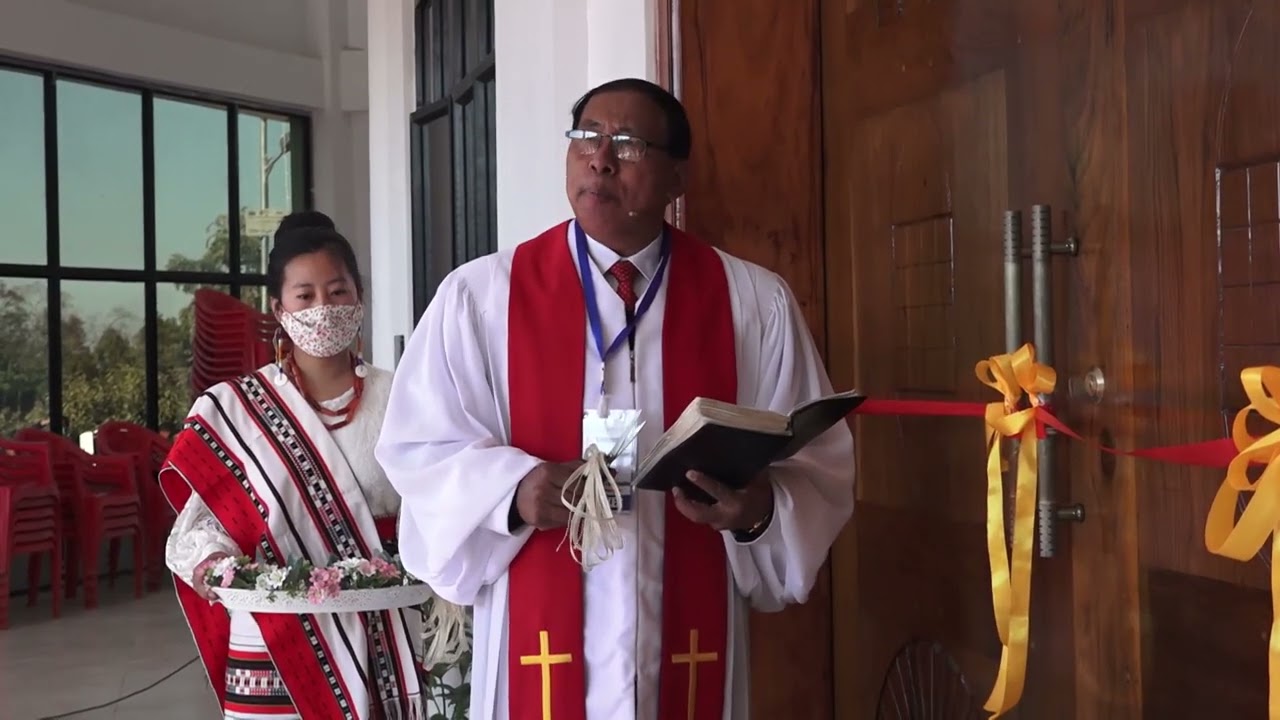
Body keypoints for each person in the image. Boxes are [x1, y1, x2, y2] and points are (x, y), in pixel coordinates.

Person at [376, 78, 855, 720]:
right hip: (535, 637)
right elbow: (419, 450)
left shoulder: (751, 304)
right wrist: (512, 493)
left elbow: (818, 464)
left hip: (686, 635)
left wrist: (759, 510)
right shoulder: (482, 299)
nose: (600, 158)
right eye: (586, 137)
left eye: (627, 143)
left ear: (676, 177)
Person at [161, 213, 426, 719]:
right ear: (279, 309)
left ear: (360, 297)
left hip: (387, 636)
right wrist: (220, 566)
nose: (323, 308)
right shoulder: (234, 409)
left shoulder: (406, 398)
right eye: (305, 296)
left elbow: (440, 501)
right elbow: (198, 530)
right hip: (273, 642)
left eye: (337, 291)